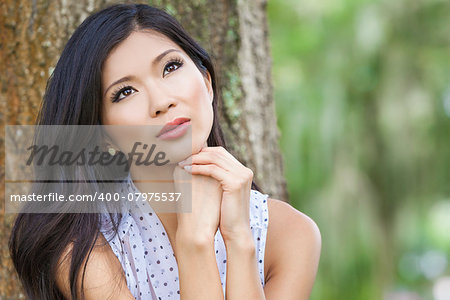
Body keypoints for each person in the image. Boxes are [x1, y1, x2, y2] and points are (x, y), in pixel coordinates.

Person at [8, 3, 321, 300]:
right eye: (124, 92)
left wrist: (239, 240)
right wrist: (194, 243)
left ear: (207, 83)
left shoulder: (291, 234)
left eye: (171, 67)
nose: (161, 102)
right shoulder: (84, 242)